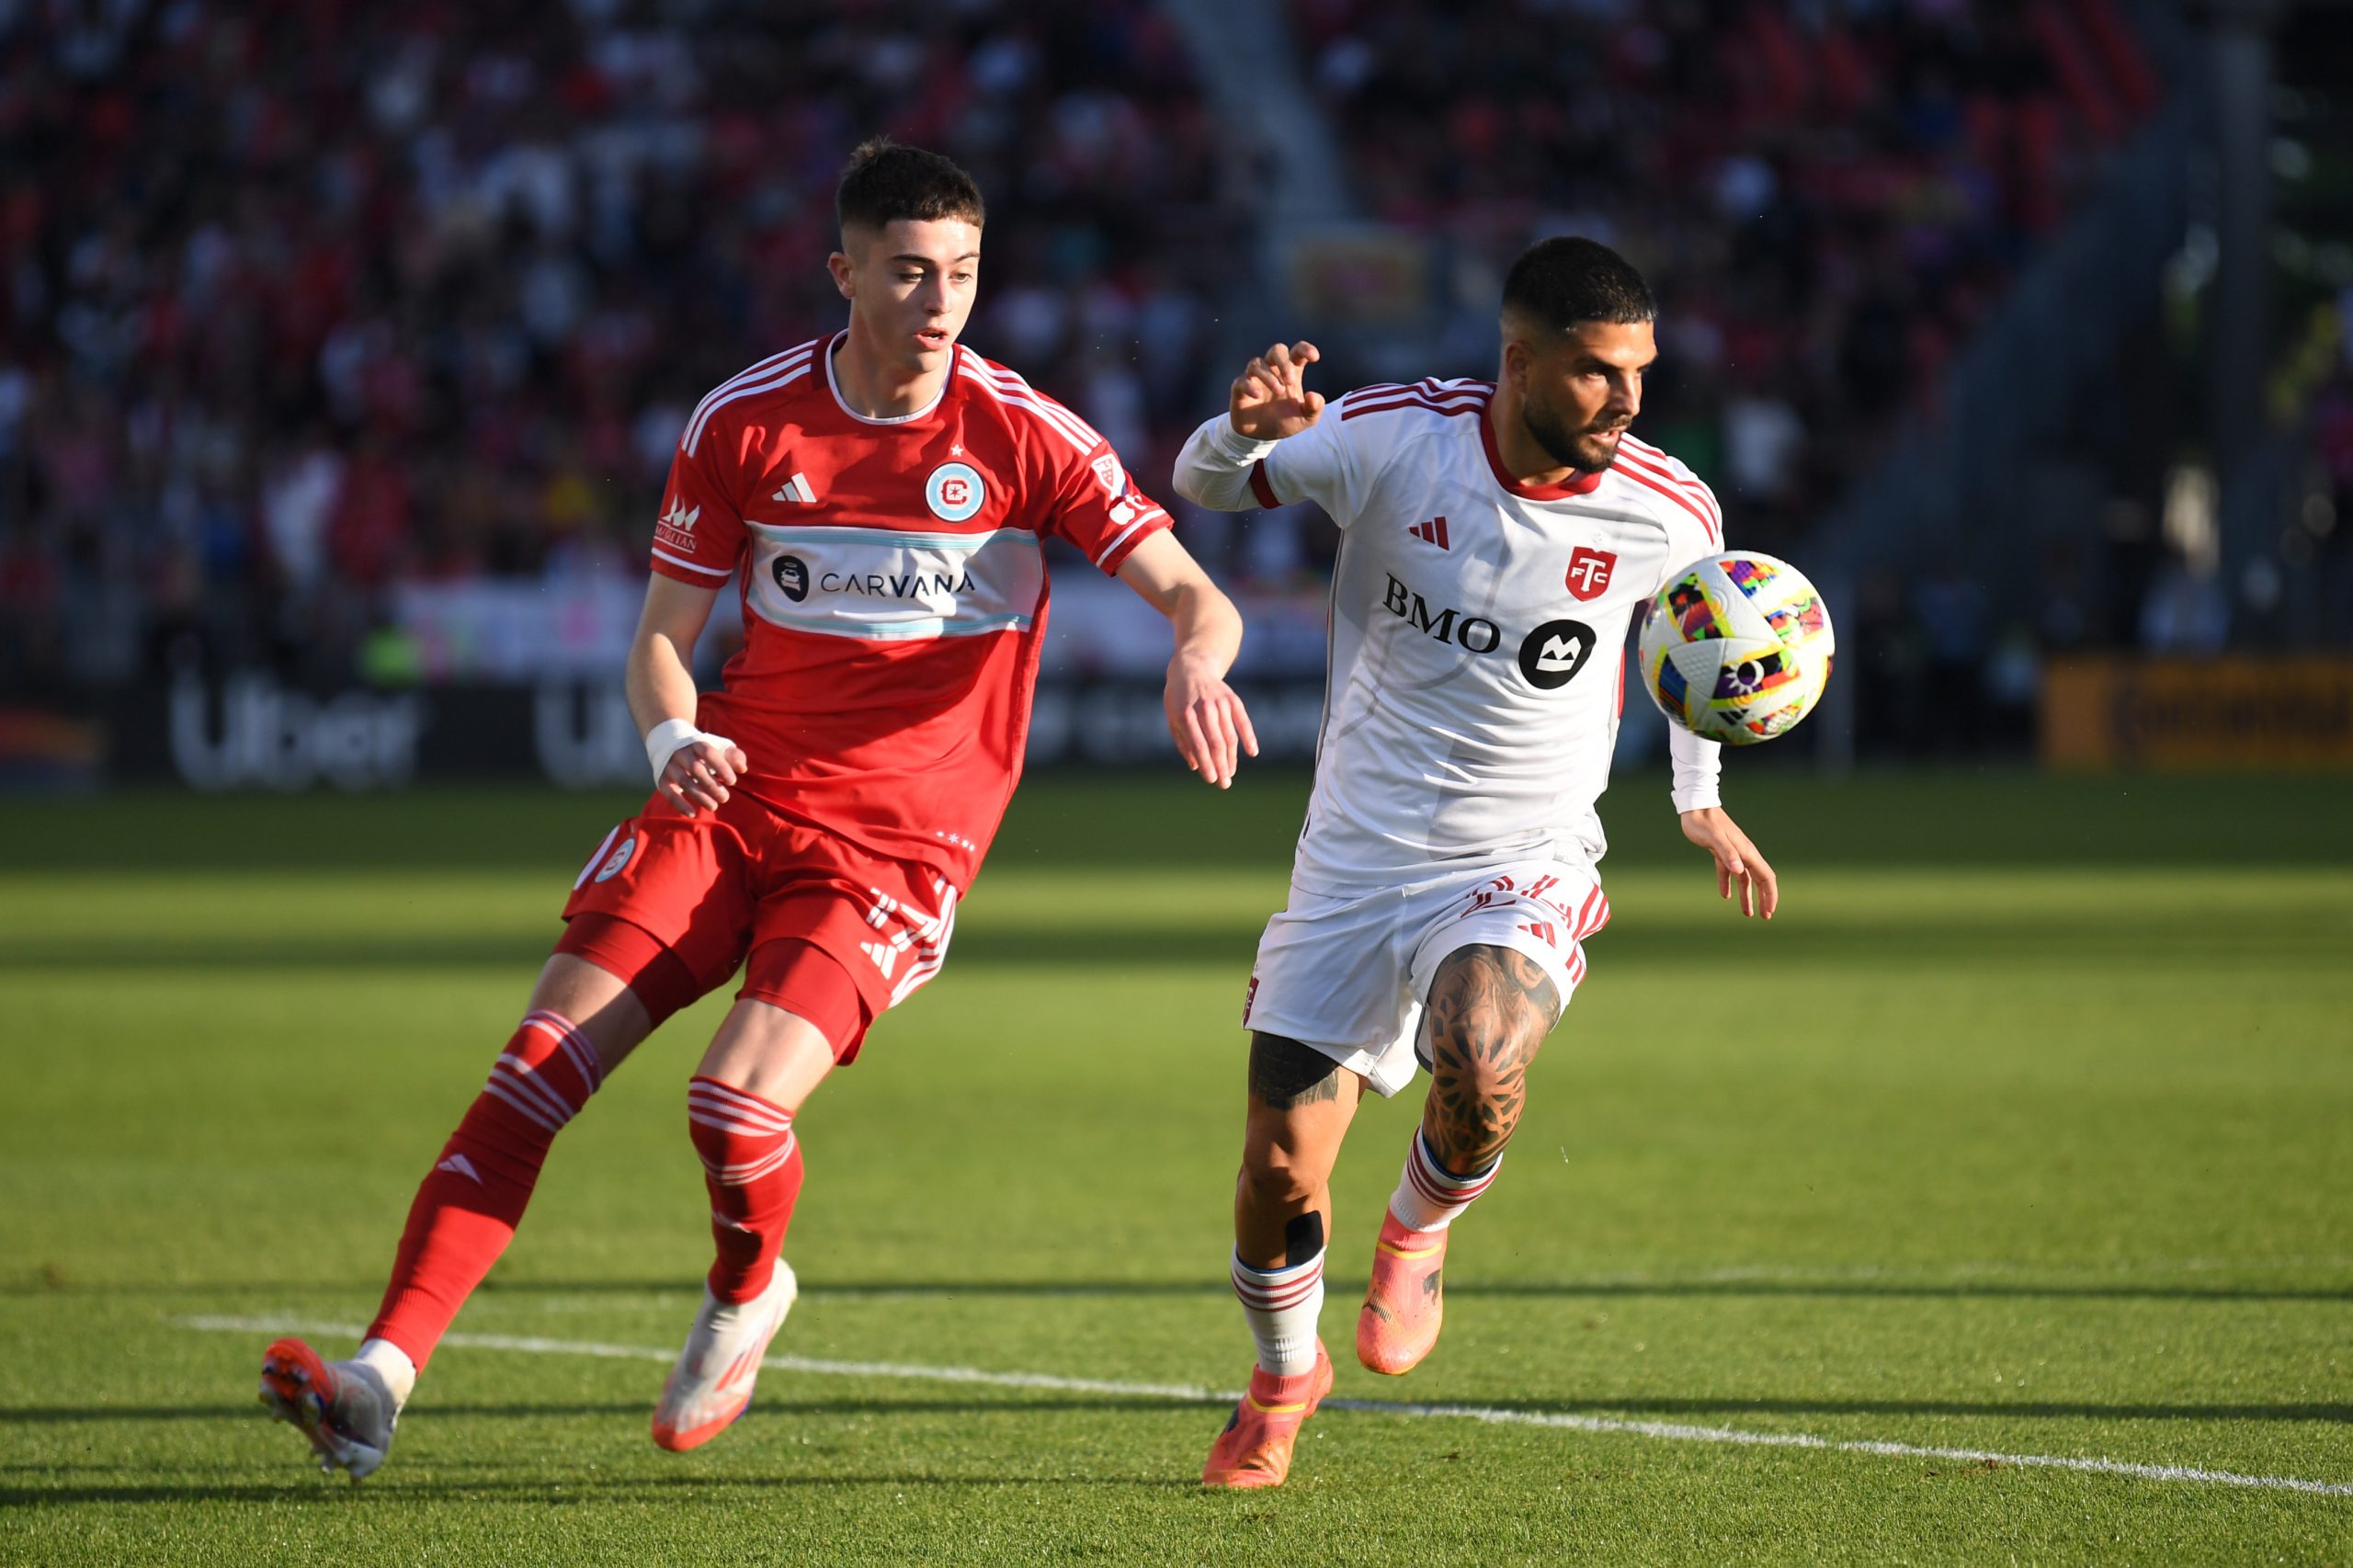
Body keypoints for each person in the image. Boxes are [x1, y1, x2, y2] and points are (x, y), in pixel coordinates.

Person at [257, 139, 1258, 1479]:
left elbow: (1202, 595)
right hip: (729, 798)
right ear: (843, 271)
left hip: (897, 841)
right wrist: (672, 736)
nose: (940, 299)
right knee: (535, 1066)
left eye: (962, 271)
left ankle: (746, 1290)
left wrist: (1197, 656)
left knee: (733, 1110)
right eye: (909, 271)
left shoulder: (1027, 433)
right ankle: (379, 1376)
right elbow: (660, 637)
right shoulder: (746, 422)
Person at [1169, 236, 1777, 1490]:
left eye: (1640, 372)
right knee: (1277, 1167)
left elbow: (1693, 653)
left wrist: (1698, 800)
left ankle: (1419, 1230)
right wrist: (1238, 432)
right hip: (1355, 853)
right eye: (1601, 372)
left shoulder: (1670, 506)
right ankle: (1284, 1376)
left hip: (1525, 847)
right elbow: (1208, 486)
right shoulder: (1397, 436)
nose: (1630, 399)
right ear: (1521, 360)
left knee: (1484, 1053)